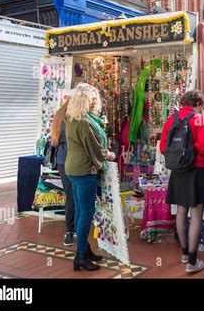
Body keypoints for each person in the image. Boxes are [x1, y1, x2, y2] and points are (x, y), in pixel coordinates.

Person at [160, 90, 204, 274]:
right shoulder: (198, 119)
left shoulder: (171, 119)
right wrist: (201, 158)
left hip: (178, 170)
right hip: (198, 169)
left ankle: (184, 254)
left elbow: (162, 147)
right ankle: (192, 261)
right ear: (198, 103)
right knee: (196, 215)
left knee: (181, 211)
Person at [65, 83, 116, 272]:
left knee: (80, 211)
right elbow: (95, 149)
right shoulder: (85, 123)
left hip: (73, 169)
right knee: (86, 213)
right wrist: (108, 155)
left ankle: (84, 249)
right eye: (94, 99)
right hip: (84, 170)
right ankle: (80, 256)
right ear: (87, 101)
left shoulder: (72, 118)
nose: (97, 102)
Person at [50, 100, 75, 246]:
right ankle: (69, 231)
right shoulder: (70, 118)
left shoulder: (59, 115)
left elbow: (54, 141)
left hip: (61, 160)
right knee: (72, 196)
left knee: (70, 195)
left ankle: (71, 229)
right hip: (70, 159)